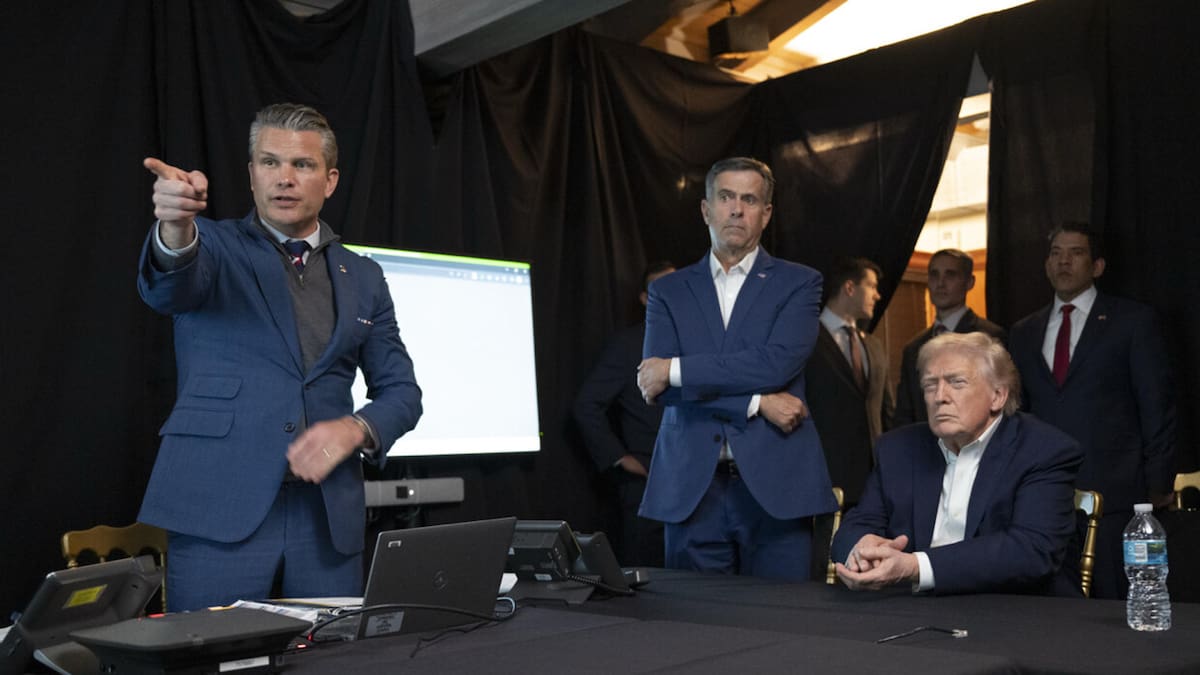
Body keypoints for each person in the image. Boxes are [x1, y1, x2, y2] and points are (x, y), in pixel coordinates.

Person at [137, 103, 422, 610]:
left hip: (326, 517)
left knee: (333, 650)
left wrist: (356, 428)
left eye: (302, 165)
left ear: (330, 181)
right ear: (252, 175)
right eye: (270, 162)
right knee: (211, 649)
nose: (284, 178)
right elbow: (170, 286)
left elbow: (402, 393)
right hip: (219, 505)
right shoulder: (213, 245)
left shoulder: (365, 276)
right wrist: (175, 226)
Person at [636, 157, 835, 581]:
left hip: (778, 483)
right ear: (706, 209)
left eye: (750, 199)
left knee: (784, 617)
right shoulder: (667, 291)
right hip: (692, 487)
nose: (737, 209)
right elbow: (662, 389)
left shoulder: (800, 282)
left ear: (766, 213)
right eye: (726, 197)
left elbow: (775, 364)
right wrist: (756, 402)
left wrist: (676, 369)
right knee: (695, 617)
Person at [832, 332, 1083, 595]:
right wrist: (861, 550)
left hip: (1016, 607)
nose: (940, 396)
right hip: (911, 607)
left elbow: (1030, 551)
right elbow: (856, 526)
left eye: (957, 382)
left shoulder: (1044, 450)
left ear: (997, 396)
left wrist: (916, 566)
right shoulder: (898, 449)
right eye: (930, 385)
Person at [1009, 222, 1175, 599]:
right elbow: (1020, 412)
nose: (1063, 261)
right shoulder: (1023, 331)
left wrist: (1159, 482)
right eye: (1055, 253)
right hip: (1046, 493)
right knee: (1051, 603)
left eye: (1076, 253)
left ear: (1097, 266)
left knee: (1113, 600)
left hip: (1117, 492)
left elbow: (1156, 404)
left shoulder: (1133, 321)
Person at [573, 261, 676, 567]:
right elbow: (586, 405)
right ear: (645, 299)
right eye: (660, 290)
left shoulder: (703, 343)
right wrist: (619, 457)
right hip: (648, 484)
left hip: (701, 483)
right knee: (648, 573)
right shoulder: (628, 345)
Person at [804, 257, 894, 506]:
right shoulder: (805, 340)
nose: (877, 295)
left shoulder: (874, 345)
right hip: (824, 479)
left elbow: (886, 412)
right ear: (850, 288)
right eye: (872, 286)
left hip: (875, 481)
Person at [892, 249, 1004, 428]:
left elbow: (1004, 406)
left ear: (969, 282)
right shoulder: (913, 348)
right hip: (924, 443)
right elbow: (904, 415)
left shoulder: (991, 338)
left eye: (950, 275)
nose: (940, 283)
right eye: (934, 275)